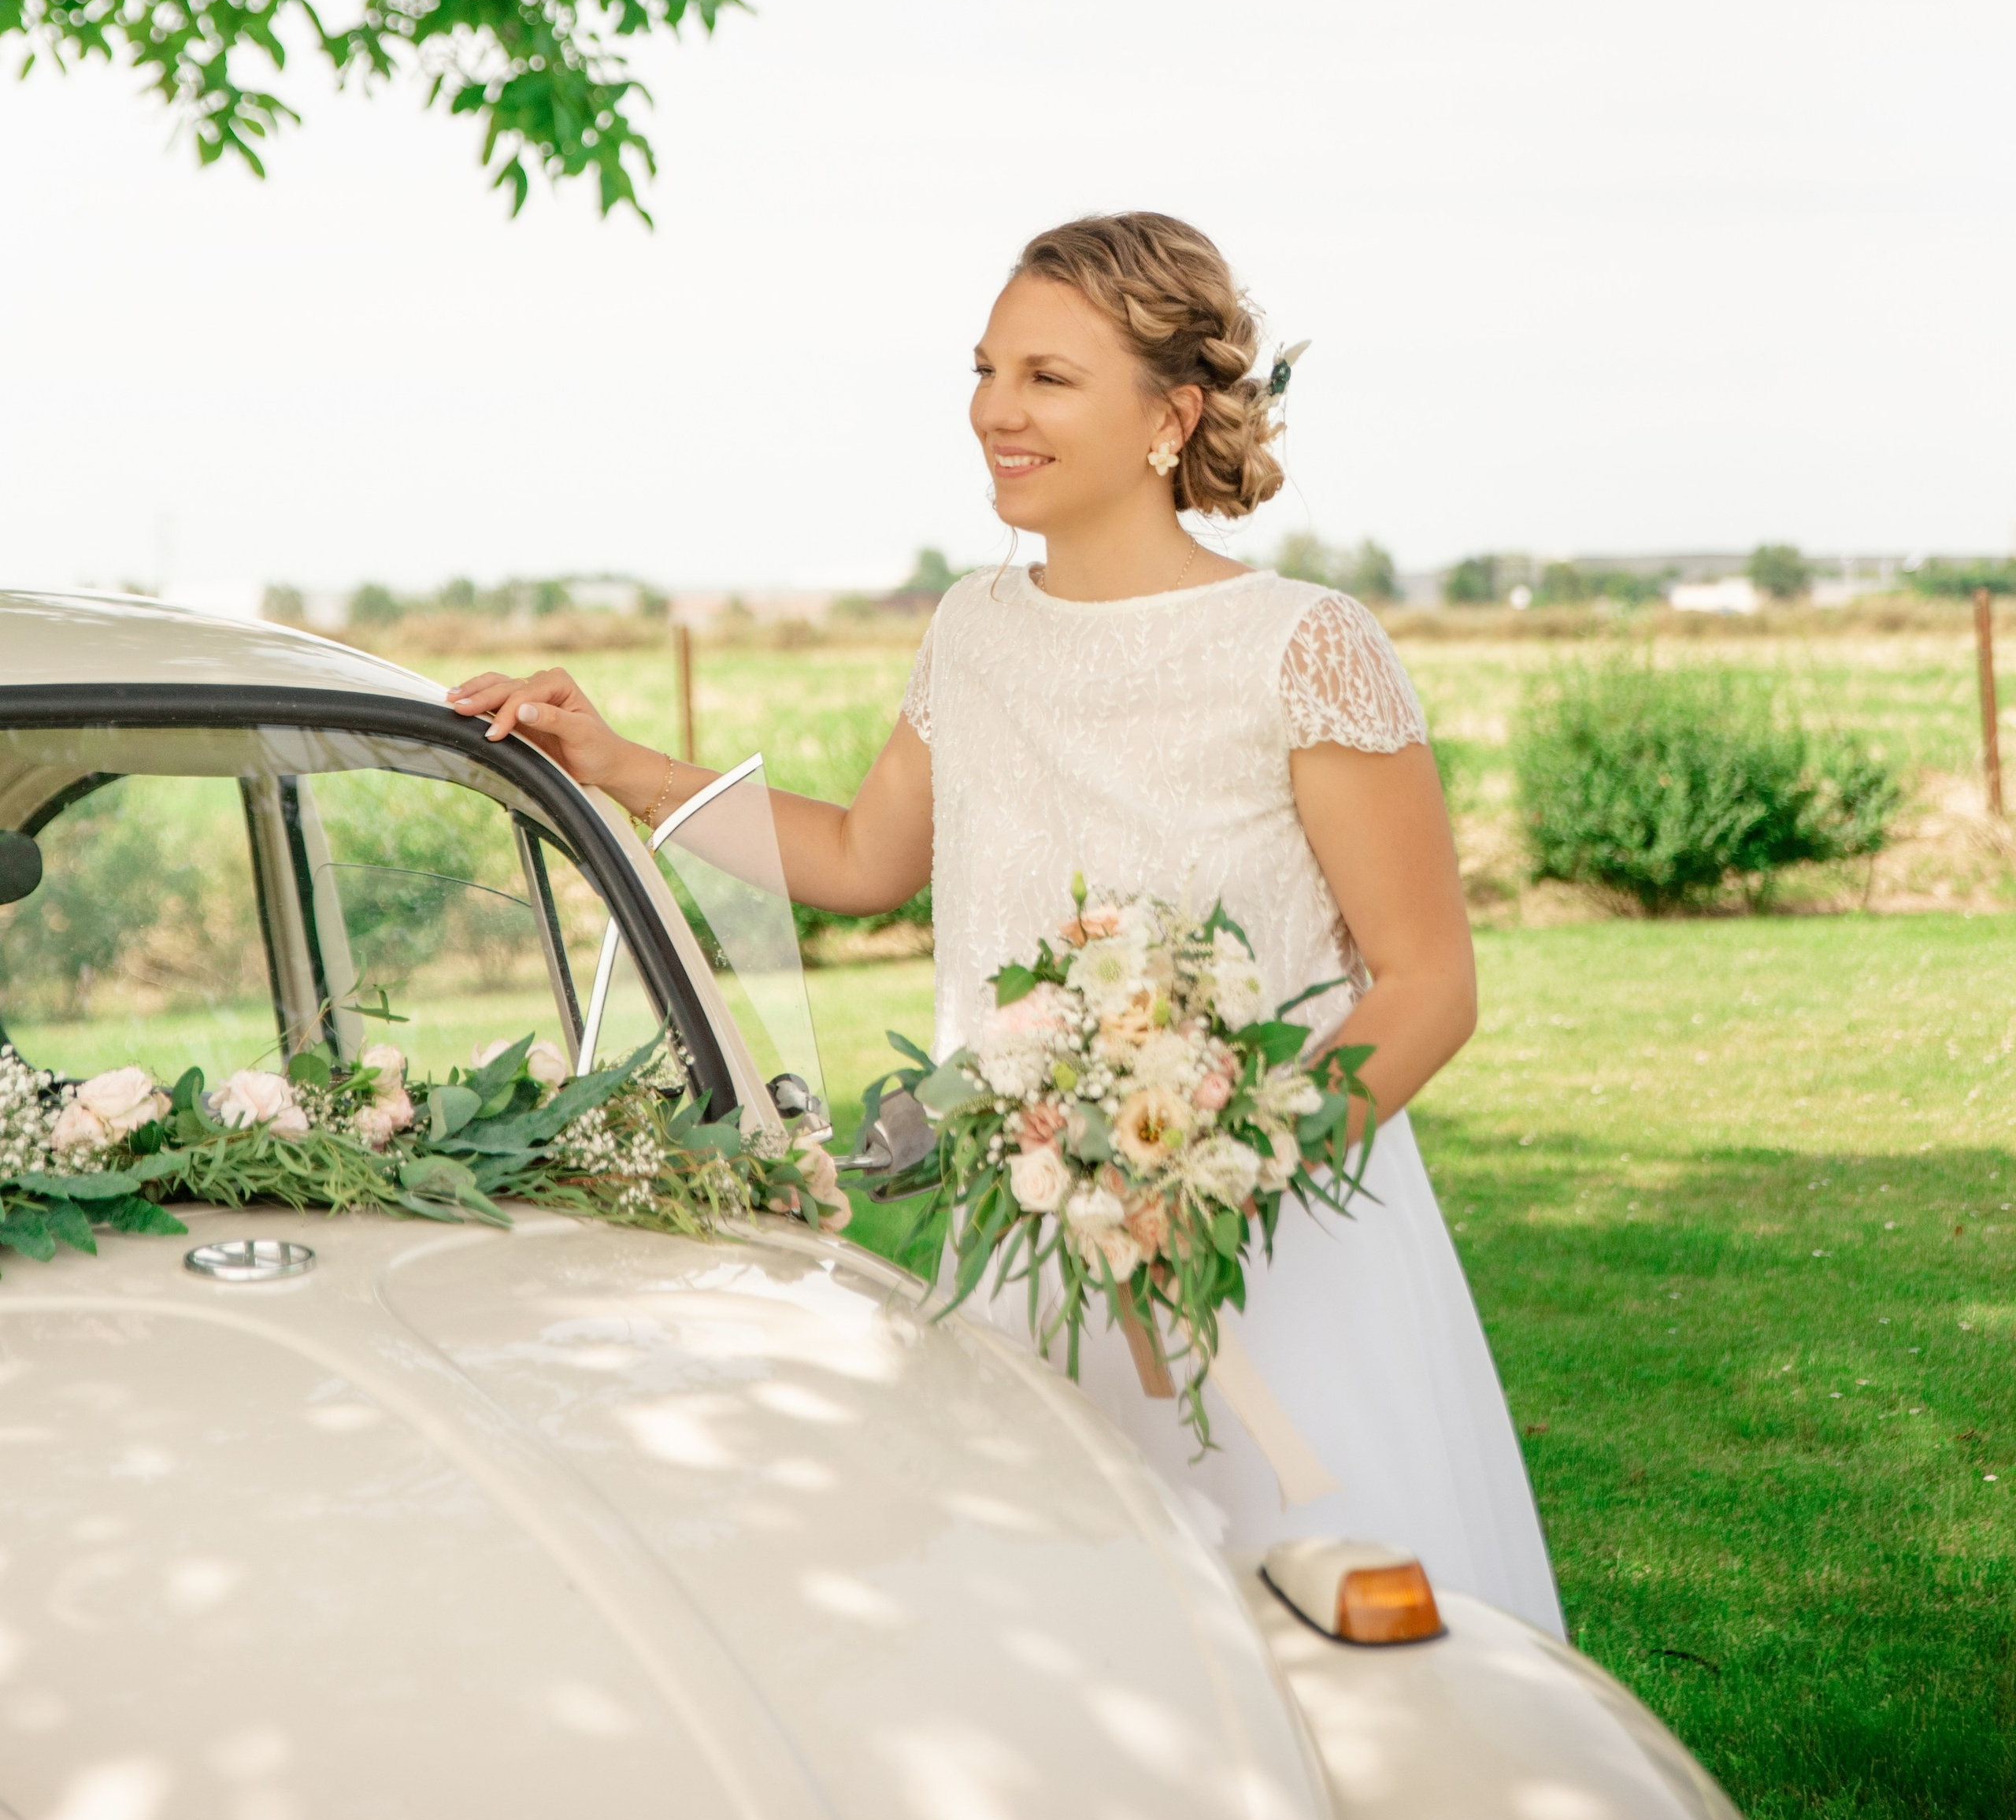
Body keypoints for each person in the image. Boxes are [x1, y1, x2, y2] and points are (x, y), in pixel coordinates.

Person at [447, 211, 1562, 1635]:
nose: (993, 411)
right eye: (984, 370)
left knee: (1309, 1649)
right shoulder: (972, 629)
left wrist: (1213, 1180)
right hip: (1030, 1231)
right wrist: (613, 761)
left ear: (1174, 414)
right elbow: (862, 857)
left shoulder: (1305, 645)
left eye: (1046, 377)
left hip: (1275, 1253)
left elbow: (1426, 983)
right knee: (1044, 1639)